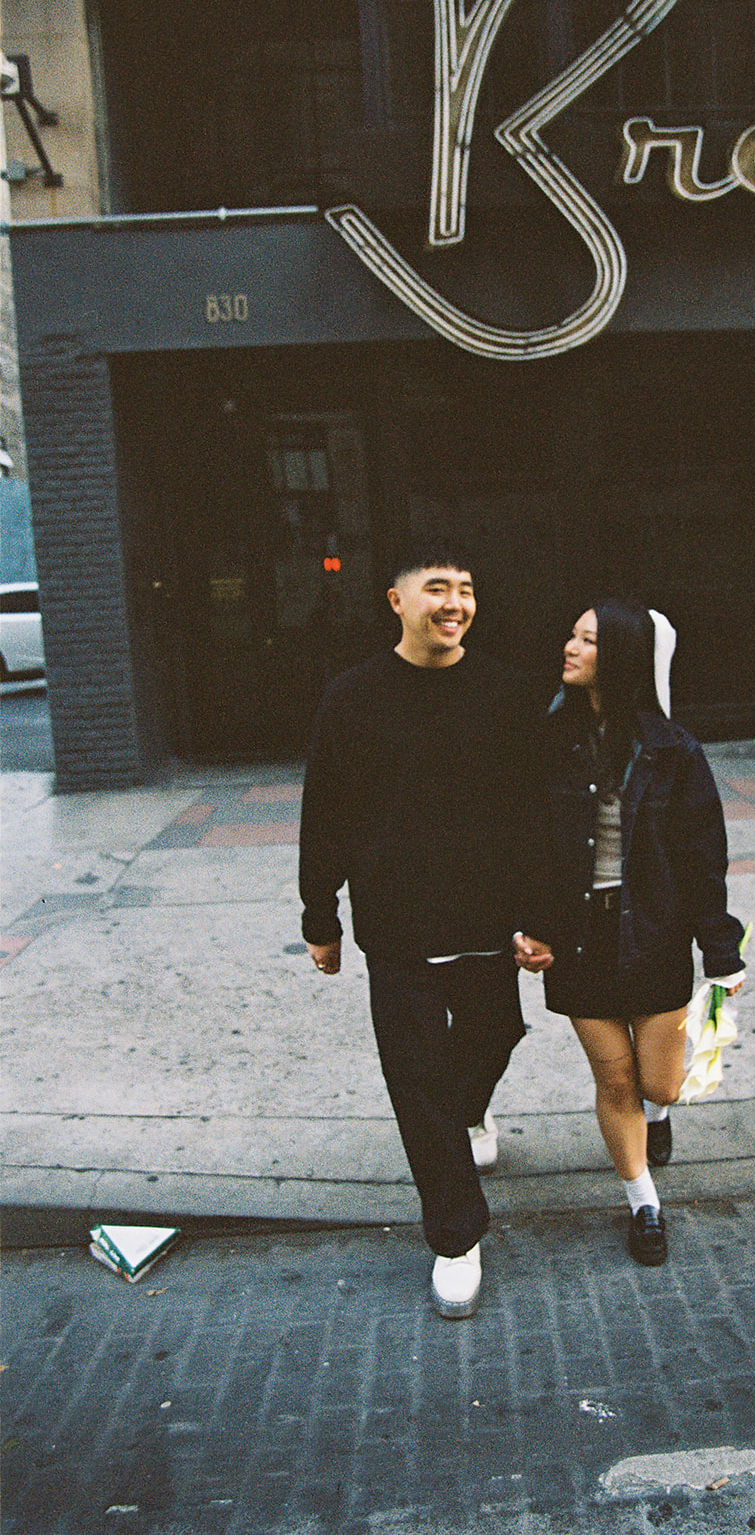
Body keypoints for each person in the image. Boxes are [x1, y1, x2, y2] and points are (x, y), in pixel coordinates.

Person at [299, 540, 552, 1319]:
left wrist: (539, 915)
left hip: (487, 919)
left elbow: (536, 816)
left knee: (494, 1036)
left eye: (467, 589)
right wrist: (321, 914)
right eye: (436, 588)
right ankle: (455, 1235)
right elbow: (326, 811)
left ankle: (468, 1112)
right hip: (397, 923)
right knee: (415, 1080)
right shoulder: (353, 697)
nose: (455, 604)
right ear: (397, 601)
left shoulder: (508, 694)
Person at [526, 598, 744, 1267]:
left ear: (618, 657)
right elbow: (522, 843)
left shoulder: (672, 751)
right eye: (571, 633)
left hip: (653, 930)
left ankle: (659, 1119)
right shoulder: (546, 741)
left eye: (587, 640)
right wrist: (521, 924)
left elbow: (701, 855)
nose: (569, 647)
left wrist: (720, 951)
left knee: (662, 1085)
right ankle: (644, 1203)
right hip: (576, 936)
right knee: (615, 1085)